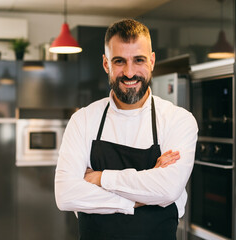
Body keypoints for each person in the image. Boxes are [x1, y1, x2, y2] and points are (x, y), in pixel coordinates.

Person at [55, 19, 198, 240]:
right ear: (106, 64)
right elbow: (66, 195)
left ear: (151, 61)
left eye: (138, 60)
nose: (129, 73)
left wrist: (99, 178)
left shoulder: (178, 120)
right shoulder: (83, 120)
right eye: (119, 61)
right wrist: (141, 195)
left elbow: (168, 189)